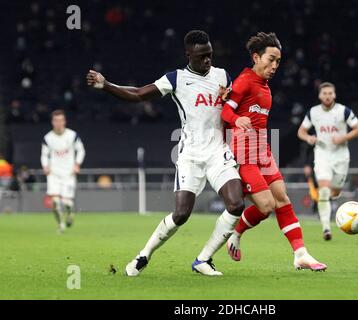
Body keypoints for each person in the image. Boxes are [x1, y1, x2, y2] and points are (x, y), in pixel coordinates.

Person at [86, 30, 244, 276]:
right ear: (188, 54)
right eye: (202, 56)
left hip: (218, 153)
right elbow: (139, 94)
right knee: (181, 214)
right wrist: (106, 85)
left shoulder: (223, 76)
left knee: (236, 204)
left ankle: (203, 259)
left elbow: (237, 105)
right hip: (190, 155)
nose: (207, 60)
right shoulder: (176, 79)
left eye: (210, 55)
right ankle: (143, 256)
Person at [221, 32, 326, 271]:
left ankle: (301, 254)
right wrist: (236, 120)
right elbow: (226, 112)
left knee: (282, 199)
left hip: (263, 152)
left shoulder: (266, 88)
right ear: (256, 57)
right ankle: (235, 234)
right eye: (271, 59)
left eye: (278, 61)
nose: (274, 65)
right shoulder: (244, 80)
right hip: (243, 154)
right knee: (266, 207)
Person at [298, 82, 358, 241]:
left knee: (335, 192)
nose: (327, 96)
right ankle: (326, 228)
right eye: (324, 93)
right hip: (322, 155)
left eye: (330, 93)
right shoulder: (313, 112)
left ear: (334, 95)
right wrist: (309, 138)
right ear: (320, 96)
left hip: (341, 156)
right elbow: (301, 131)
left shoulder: (344, 111)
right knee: (324, 190)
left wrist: (344, 137)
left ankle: (331, 203)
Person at [41, 110, 85, 233]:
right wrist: (45, 166)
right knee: (55, 202)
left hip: (68, 173)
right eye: (56, 120)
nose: (59, 123)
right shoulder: (48, 138)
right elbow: (44, 155)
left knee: (66, 203)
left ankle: (70, 213)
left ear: (64, 121)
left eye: (61, 120)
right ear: (52, 122)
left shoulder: (72, 135)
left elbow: (81, 150)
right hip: (53, 174)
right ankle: (61, 224)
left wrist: (77, 164)